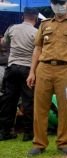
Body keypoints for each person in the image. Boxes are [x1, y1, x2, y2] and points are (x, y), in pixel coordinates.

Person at [26, 0, 67, 156]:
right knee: (40, 107)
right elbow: (37, 48)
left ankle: (63, 142)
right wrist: (32, 72)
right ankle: (39, 143)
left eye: (61, 2)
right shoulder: (45, 24)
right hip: (44, 68)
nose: (58, 5)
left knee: (65, 108)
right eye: (54, 2)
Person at [0, 7, 39, 141]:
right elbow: (39, 51)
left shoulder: (12, 28)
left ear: (23, 16)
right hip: (28, 70)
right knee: (28, 101)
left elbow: (4, 44)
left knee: (8, 100)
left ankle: (5, 132)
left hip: (11, 68)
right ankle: (28, 134)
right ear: (36, 18)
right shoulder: (36, 32)